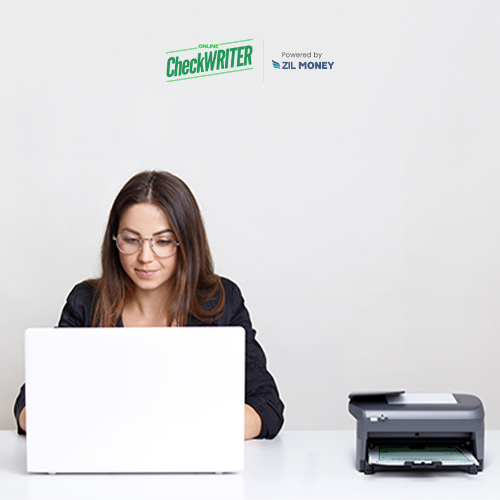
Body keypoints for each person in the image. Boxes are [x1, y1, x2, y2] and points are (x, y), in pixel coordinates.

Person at [13, 171, 284, 440]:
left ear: (187, 243)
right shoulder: (86, 302)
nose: (145, 257)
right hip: (107, 463)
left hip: (192, 464)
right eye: (131, 240)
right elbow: (29, 407)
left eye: (163, 242)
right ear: (115, 240)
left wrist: (173, 429)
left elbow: (267, 408)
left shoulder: (221, 300)